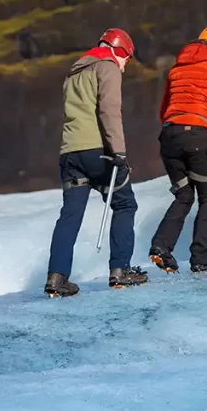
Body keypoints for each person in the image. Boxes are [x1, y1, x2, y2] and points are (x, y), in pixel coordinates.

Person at [45, 28, 146, 297]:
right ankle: (120, 271)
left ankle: (57, 278)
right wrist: (120, 152)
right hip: (97, 150)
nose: (125, 66)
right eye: (127, 58)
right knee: (125, 203)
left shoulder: (74, 72)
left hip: (69, 153)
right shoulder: (108, 66)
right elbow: (109, 109)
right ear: (119, 50)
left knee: (70, 215)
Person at [149, 27, 207, 274]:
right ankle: (202, 257)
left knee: (183, 196)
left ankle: (161, 246)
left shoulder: (177, 67)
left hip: (170, 136)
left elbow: (163, 110)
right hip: (198, 136)